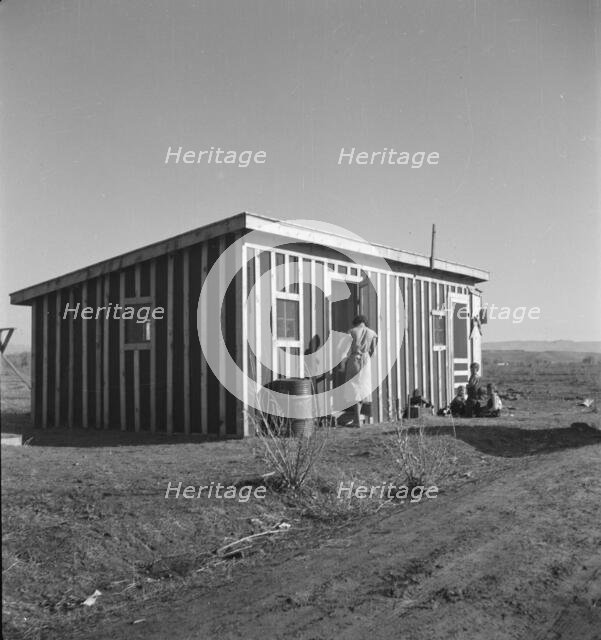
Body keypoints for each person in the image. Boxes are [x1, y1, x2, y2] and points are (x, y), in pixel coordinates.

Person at [343, 315, 378, 427]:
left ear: (356, 322)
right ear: (364, 322)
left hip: (354, 359)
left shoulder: (352, 331)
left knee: (354, 388)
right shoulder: (371, 333)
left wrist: (343, 364)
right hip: (366, 360)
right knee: (363, 389)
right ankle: (357, 419)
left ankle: (357, 420)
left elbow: (346, 350)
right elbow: (373, 351)